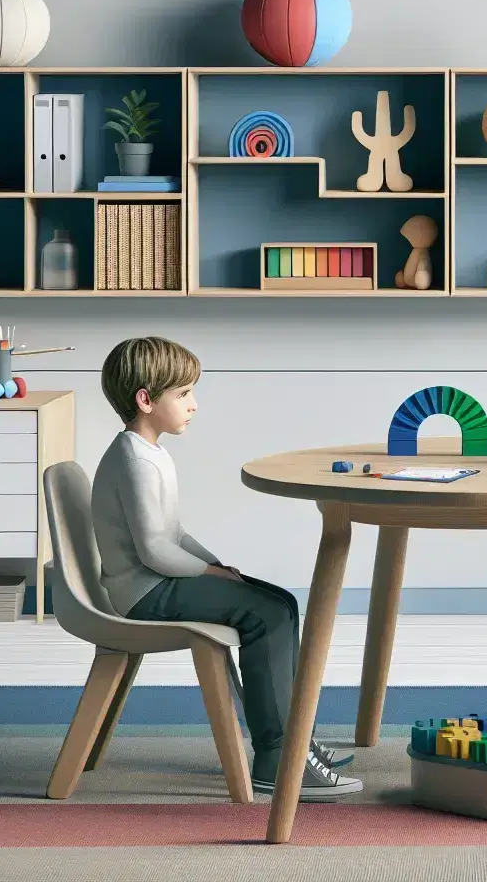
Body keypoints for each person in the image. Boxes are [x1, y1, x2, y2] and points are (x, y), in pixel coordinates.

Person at [92, 336, 363, 800]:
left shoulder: (150, 453)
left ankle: (295, 739)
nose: (193, 405)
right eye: (182, 394)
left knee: (281, 602)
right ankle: (276, 757)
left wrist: (215, 565)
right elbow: (156, 550)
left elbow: (173, 533)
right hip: (144, 592)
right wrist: (211, 575)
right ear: (146, 399)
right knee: (268, 614)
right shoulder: (135, 460)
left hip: (156, 582)